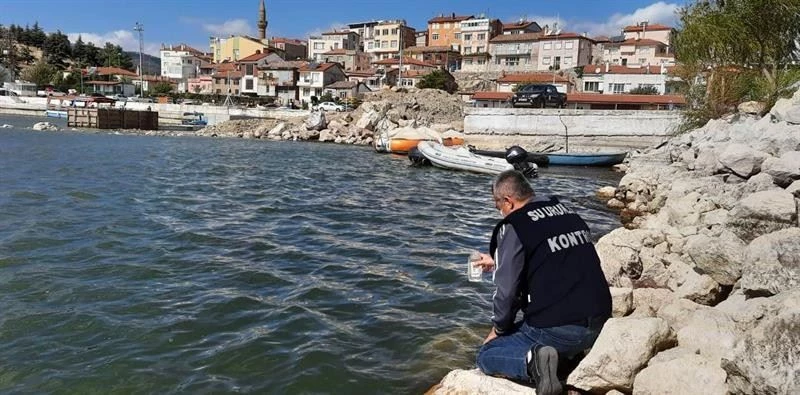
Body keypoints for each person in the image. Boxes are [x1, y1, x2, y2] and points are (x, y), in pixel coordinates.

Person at [472, 170, 612, 395]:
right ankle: (564, 360)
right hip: (600, 321)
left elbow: (507, 292)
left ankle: (532, 363)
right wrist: (499, 261)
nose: (500, 212)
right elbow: (553, 256)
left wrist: (498, 329)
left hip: (562, 330)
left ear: (508, 201)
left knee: (487, 354)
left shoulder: (515, 225)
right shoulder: (564, 210)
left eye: (497, 205)